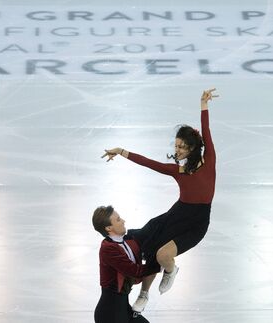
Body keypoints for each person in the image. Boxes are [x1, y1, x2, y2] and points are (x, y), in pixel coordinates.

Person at [101, 88, 218, 312]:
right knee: (151, 246)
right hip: (177, 215)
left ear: (193, 148)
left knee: (163, 255)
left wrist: (204, 105)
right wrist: (122, 151)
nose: (177, 149)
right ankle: (144, 294)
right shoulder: (177, 171)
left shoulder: (209, 160)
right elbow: (148, 163)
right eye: (176, 146)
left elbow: (207, 130)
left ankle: (171, 270)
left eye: (182, 146)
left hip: (197, 222)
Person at [92, 205, 153, 323]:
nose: (123, 221)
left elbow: (151, 229)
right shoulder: (108, 249)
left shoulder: (128, 239)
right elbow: (135, 271)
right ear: (109, 228)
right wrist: (160, 264)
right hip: (110, 313)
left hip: (123, 308)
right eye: (118, 219)